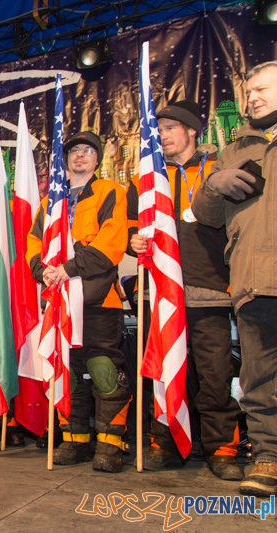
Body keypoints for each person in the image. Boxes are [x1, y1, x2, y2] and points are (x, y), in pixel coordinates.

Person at [127, 101, 242, 480]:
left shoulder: (217, 169)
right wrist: (134, 242)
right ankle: (168, 440)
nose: (162, 135)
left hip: (209, 287)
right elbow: (132, 229)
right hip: (160, 291)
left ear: (192, 131)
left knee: (214, 371)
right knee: (164, 370)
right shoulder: (145, 179)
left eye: (171, 128)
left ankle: (221, 446)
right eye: (158, 129)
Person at [192, 61, 277, 497]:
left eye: (262, 88)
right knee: (259, 377)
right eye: (248, 93)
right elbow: (207, 216)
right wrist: (212, 185)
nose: (252, 98)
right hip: (253, 277)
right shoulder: (235, 149)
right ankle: (268, 458)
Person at [27, 131, 131, 472]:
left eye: (87, 151)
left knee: (103, 370)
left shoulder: (111, 192)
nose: (80, 156)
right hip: (60, 302)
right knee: (68, 372)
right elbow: (33, 244)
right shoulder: (49, 203)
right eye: (74, 151)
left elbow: (111, 244)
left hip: (99, 300)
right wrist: (44, 271)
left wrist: (68, 269)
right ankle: (75, 439)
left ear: (97, 159)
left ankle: (110, 443)